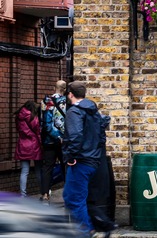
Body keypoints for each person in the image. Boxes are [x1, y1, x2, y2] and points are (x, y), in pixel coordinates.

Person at [62, 81, 105, 236]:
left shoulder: (74, 112)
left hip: (80, 161)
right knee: (80, 197)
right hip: (93, 161)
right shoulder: (93, 111)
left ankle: (85, 231)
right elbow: (102, 136)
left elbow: (75, 136)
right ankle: (90, 227)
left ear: (70, 94)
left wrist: (70, 156)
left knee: (72, 198)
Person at [40, 80, 69, 203]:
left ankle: (45, 194)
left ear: (54, 87)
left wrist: (54, 136)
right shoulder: (67, 102)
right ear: (65, 89)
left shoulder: (46, 101)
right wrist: (61, 137)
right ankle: (68, 195)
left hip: (49, 141)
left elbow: (45, 123)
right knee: (65, 168)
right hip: (63, 141)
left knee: (47, 167)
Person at [15, 100, 43, 199]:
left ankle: (23, 195)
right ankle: (43, 193)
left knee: (24, 171)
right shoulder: (32, 117)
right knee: (39, 170)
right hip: (35, 146)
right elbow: (38, 131)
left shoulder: (19, 116)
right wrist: (42, 144)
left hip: (22, 145)